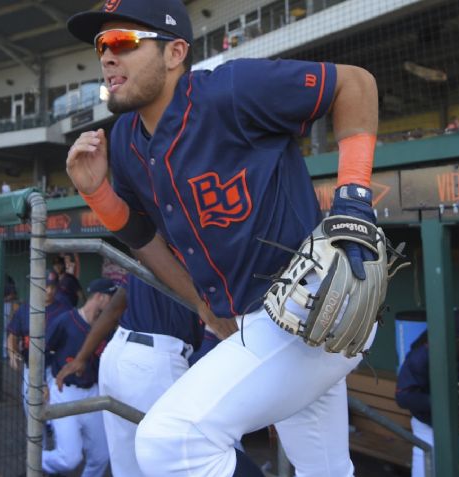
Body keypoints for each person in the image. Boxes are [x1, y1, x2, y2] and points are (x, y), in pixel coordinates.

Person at [64, 0, 380, 475]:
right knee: (326, 469)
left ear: (174, 54)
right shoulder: (126, 138)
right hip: (257, 324)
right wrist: (99, 196)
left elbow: (355, 83)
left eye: (122, 42)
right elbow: (143, 235)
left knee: (171, 439)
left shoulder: (229, 90)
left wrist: (353, 197)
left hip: (315, 303)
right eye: (100, 46)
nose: (106, 57)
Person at [56, 274, 202, 476]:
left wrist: (82, 356)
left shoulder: (150, 255)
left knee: (128, 463)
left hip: (118, 353)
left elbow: (113, 308)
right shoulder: (179, 253)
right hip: (154, 359)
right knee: (181, 455)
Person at [42, 278, 117, 477]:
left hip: (93, 392)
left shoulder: (108, 328)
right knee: (69, 459)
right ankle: (37, 462)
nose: (114, 304)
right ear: (100, 297)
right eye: (112, 298)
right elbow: (44, 351)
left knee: (101, 456)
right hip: (64, 391)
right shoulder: (66, 320)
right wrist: (42, 382)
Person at [395, 307, 459, 477]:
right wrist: (440, 402)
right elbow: (403, 397)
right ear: (458, 338)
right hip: (429, 430)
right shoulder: (422, 355)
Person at [6, 270, 73, 414]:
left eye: (53, 286)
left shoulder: (65, 311)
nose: (49, 291)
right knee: (30, 409)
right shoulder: (25, 309)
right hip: (31, 365)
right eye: (45, 286)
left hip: (56, 368)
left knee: (55, 409)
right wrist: (12, 352)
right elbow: (13, 334)